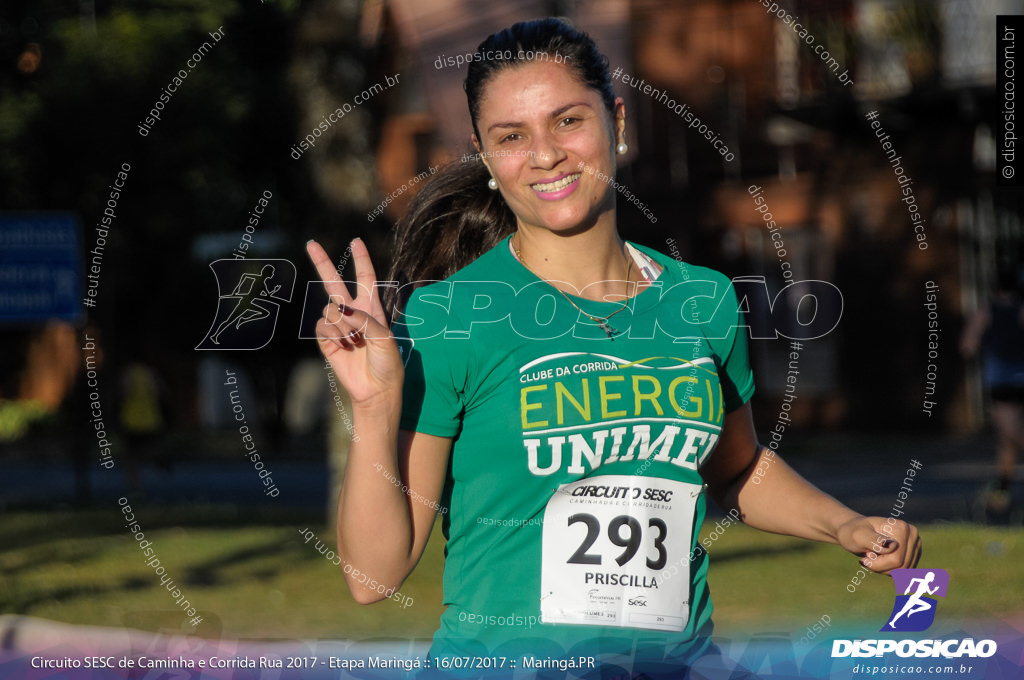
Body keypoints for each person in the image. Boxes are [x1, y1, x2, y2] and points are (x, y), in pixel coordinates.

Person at [306, 18, 921, 676]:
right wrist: (372, 409)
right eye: (511, 137)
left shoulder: (703, 300)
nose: (544, 154)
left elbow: (737, 470)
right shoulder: (451, 316)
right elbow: (373, 577)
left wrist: (843, 525)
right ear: (486, 158)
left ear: (617, 123)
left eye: (567, 121)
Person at [960, 267, 1024, 515]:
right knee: (1007, 441)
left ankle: (1000, 492)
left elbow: (967, 344)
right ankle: (1001, 492)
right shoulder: (1020, 308)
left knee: (1011, 433)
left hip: (1002, 379)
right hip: (1019, 376)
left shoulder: (987, 310)